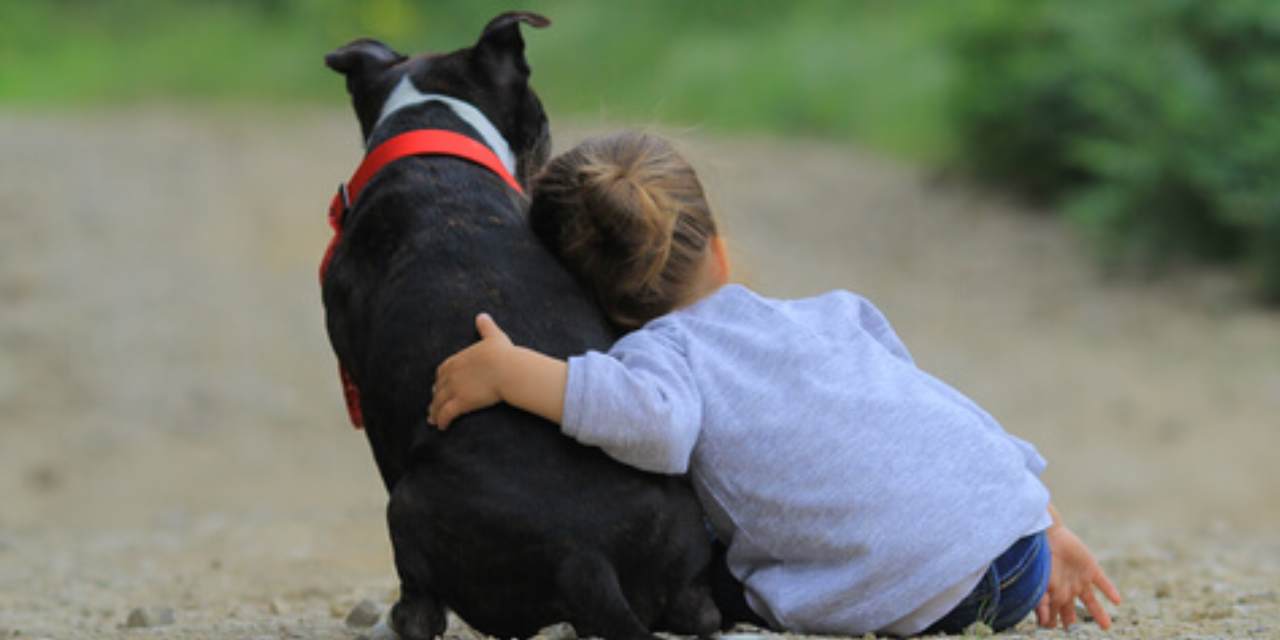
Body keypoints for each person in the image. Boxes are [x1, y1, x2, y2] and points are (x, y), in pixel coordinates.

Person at [427, 132, 1120, 636]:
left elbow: (652, 424)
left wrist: (517, 372)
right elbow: (937, 417)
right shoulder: (840, 314)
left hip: (926, 601)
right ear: (719, 249)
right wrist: (1044, 521)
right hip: (1021, 555)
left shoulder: (662, 355)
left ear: (592, 305)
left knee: (708, 564)